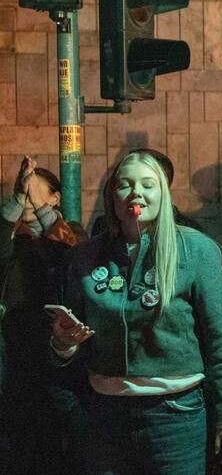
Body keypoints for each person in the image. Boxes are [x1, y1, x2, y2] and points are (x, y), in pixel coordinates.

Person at [49, 151, 222, 472]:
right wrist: (63, 343)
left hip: (176, 415)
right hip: (105, 415)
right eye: (124, 185)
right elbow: (72, 341)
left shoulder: (196, 251)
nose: (135, 192)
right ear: (112, 196)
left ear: (163, 193)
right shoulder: (86, 256)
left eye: (147, 184)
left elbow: (221, 340)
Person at [0, 157, 88, 474]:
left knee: (63, 440)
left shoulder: (70, 232)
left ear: (55, 198)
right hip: (16, 351)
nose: (29, 196)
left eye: (37, 189)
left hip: (57, 349)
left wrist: (41, 210)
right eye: (24, 189)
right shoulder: (11, 235)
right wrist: (16, 200)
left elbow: (74, 252)